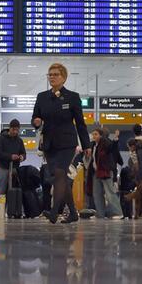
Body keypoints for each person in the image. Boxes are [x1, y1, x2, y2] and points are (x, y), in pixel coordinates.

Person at [32, 63, 90, 224]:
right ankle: (72, 213)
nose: (52, 77)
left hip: (67, 143)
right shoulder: (42, 96)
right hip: (49, 143)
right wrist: (36, 122)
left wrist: (86, 145)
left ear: (64, 78)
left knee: (59, 173)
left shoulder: (72, 97)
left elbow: (80, 123)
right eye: (50, 74)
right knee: (60, 178)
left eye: (56, 74)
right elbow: (35, 118)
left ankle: (54, 212)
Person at [88, 128, 123, 219]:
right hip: (96, 172)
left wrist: (115, 139)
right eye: (93, 134)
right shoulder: (93, 145)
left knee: (110, 193)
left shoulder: (105, 144)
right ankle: (100, 213)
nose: (93, 136)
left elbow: (112, 148)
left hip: (105, 171)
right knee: (97, 193)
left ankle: (118, 213)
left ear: (100, 135)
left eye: (96, 134)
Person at [0, 119, 26, 195]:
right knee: (2, 189)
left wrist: (22, 157)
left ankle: (12, 206)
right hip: (3, 167)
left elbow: (23, 153)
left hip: (15, 168)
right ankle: (1, 206)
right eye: (13, 129)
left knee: (14, 190)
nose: (15, 132)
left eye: (17, 130)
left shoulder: (19, 140)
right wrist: (10, 157)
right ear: (9, 128)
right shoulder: (1, 139)